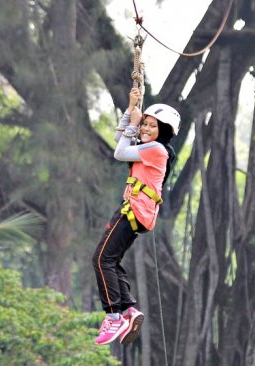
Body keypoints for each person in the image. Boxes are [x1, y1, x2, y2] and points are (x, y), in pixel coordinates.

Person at [92, 87, 180, 346]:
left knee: (100, 259)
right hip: (137, 212)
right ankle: (129, 308)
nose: (146, 129)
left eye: (152, 126)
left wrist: (133, 121)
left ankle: (114, 315)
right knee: (112, 260)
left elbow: (120, 153)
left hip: (133, 210)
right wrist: (131, 112)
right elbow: (122, 142)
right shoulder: (149, 149)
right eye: (145, 125)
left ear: (163, 132)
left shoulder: (157, 150)